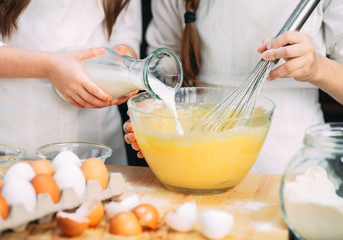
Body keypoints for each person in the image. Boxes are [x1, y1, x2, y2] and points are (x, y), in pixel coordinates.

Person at [124, 0, 343, 174]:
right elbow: (162, 75)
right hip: (193, 167)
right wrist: (154, 124)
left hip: (292, 172)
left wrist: (318, 68)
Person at [0, 0, 142, 165]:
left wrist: (124, 62)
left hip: (99, 144)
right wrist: (48, 67)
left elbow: (125, 33)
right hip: (11, 142)